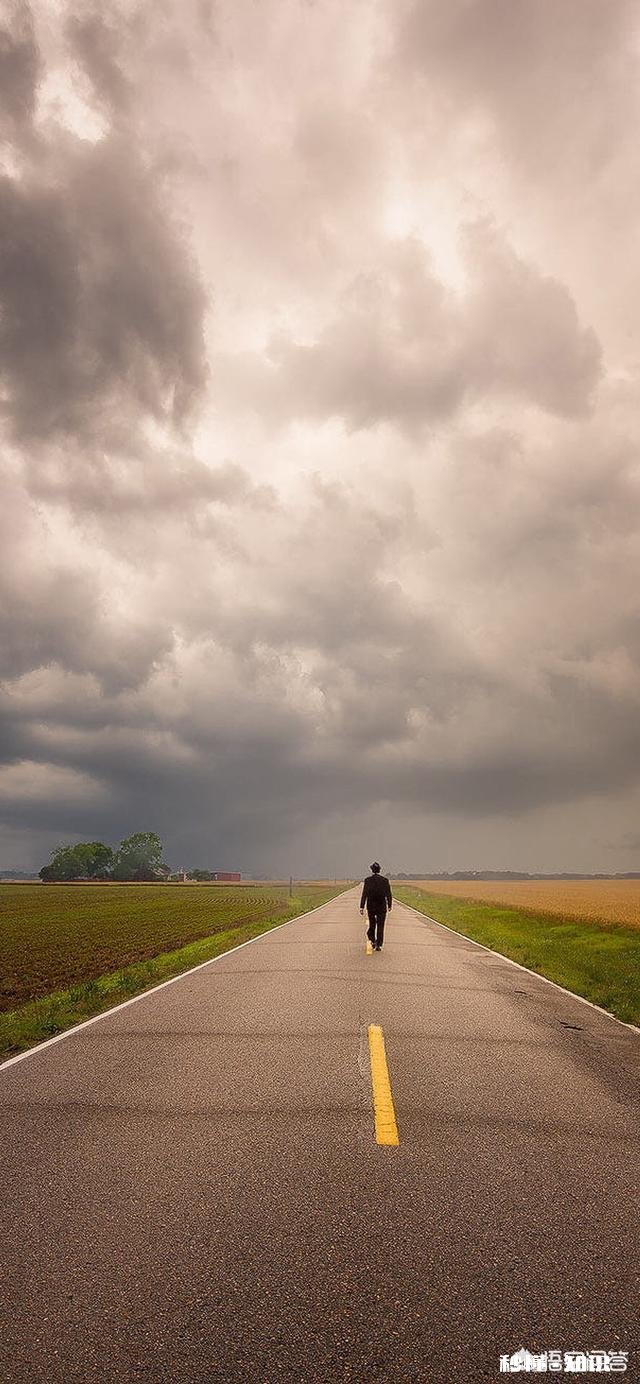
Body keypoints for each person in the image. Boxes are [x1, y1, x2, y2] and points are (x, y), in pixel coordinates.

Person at [360, 862, 392, 951]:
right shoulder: (385, 880)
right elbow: (388, 894)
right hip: (381, 907)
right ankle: (379, 944)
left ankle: (372, 940)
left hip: (371, 907)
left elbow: (364, 894)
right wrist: (389, 904)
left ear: (371, 870)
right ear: (379, 870)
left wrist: (361, 906)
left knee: (372, 924)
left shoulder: (367, 880)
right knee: (380, 926)